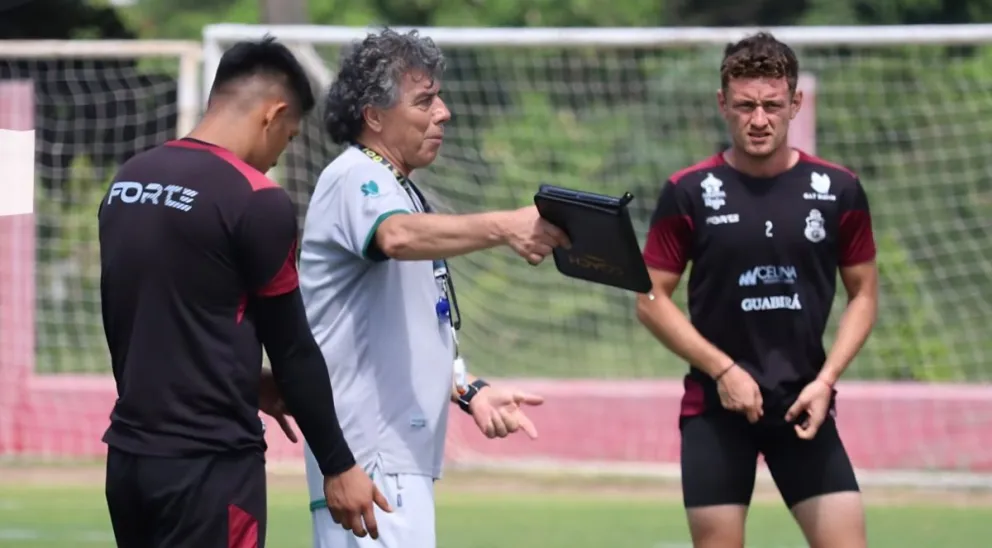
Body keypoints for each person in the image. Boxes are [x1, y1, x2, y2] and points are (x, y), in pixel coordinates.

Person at [98, 36, 389, 548]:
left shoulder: (128, 181)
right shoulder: (255, 199)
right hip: (211, 468)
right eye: (289, 135)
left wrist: (243, 380)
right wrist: (339, 465)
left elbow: (157, 319)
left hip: (130, 463)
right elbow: (293, 347)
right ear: (273, 114)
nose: (279, 155)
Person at [299, 28, 570, 548]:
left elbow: (395, 329)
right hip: (370, 462)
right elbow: (396, 237)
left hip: (392, 461)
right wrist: (506, 225)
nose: (443, 112)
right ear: (374, 116)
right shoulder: (357, 175)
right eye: (425, 100)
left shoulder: (400, 188)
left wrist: (468, 390)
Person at [636, 32, 877, 548]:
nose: (759, 119)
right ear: (723, 105)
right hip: (715, 411)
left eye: (771, 105)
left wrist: (827, 379)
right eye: (745, 106)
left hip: (802, 405)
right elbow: (649, 298)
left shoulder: (838, 190)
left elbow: (864, 294)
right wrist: (723, 370)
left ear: (795, 103)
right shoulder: (689, 191)